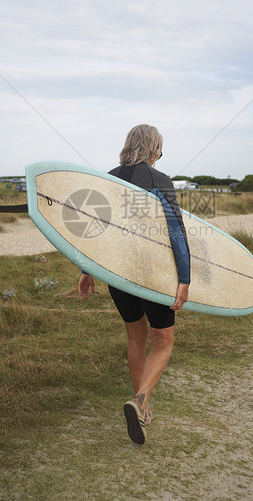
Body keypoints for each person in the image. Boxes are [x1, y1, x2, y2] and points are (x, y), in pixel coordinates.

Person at [77, 124, 190, 445]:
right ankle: (140, 401)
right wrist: (185, 279)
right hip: (154, 274)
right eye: (160, 149)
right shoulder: (160, 180)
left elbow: (96, 231)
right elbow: (177, 235)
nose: (160, 155)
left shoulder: (109, 178)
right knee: (164, 341)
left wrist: (87, 270)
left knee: (135, 337)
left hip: (118, 273)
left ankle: (144, 405)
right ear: (154, 148)